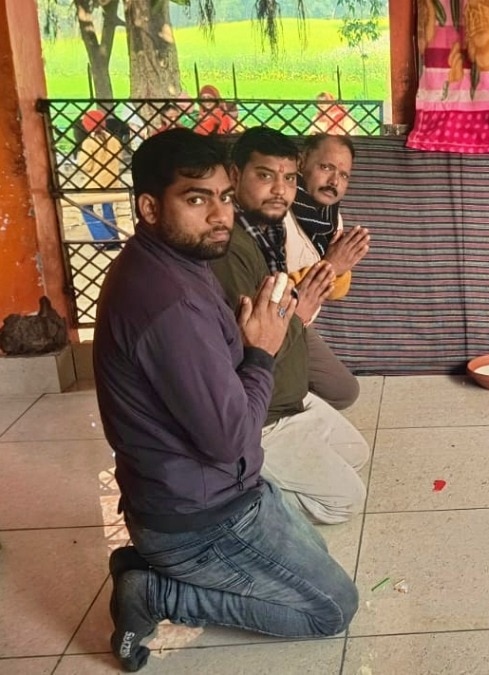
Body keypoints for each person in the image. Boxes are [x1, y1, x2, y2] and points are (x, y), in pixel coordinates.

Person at [93, 129, 358, 672]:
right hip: (200, 518)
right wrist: (263, 351)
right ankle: (157, 593)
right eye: (195, 199)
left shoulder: (176, 263)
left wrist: (269, 335)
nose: (218, 214)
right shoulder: (168, 305)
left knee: (320, 558)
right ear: (148, 206)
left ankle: (158, 565)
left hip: (219, 490)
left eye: (223, 197)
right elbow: (232, 437)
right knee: (332, 609)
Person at [210, 126, 370, 525]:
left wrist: (322, 280)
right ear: (235, 175)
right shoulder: (231, 248)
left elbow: (329, 292)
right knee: (344, 503)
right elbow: (256, 345)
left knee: (357, 453)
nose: (279, 189)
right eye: (265, 176)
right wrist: (312, 291)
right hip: (263, 411)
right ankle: (232, 497)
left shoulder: (268, 229)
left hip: (289, 388)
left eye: (288, 178)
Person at [282, 133, 371, 409]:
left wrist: (339, 267)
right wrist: (331, 265)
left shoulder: (331, 217)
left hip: (299, 326)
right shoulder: (278, 213)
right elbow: (272, 296)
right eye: (326, 168)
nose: (334, 182)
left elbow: (337, 290)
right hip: (272, 324)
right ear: (301, 162)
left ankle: (280, 390)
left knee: (344, 392)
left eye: (344, 175)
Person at [76, 109, 122, 245]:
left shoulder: (88, 143)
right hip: (112, 181)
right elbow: (119, 157)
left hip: (95, 183)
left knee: (85, 207)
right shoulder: (113, 140)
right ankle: (114, 237)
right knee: (107, 208)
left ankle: (103, 238)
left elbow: (86, 166)